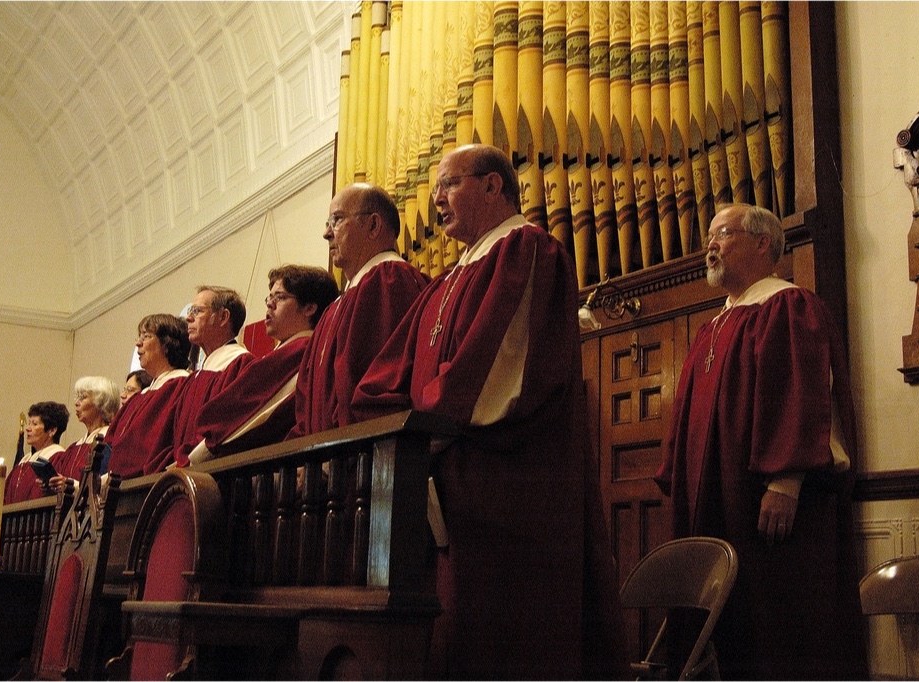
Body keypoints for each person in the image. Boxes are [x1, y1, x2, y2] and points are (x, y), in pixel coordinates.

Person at [352, 144, 627, 680]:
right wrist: (387, 422)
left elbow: (498, 365)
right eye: (434, 189)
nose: (436, 200)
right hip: (448, 481)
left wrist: (420, 430)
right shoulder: (449, 278)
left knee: (502, 636)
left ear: (492, 186)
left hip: (507, 492)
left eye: (449, 185)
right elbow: (385, 377)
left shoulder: (528, 250)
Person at [654, 203, 868, 680]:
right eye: (708, 236)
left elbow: (804, 393)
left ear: (763, 243)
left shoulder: (789, 306)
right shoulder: (715, 325)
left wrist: (786, 482)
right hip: (716, 499)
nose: (710, 246)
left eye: (722, 235)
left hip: (764, 505)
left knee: (772, 623)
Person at [287, 182, 428, 438]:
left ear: (373, 225)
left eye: (337, 220)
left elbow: (382, 384)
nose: (326, 233)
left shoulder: (390, 281)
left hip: (361, 458)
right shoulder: (336, 307)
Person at [186, 265, 339, 463]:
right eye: (270, 297)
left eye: (281, 297)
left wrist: (196, 457)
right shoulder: (283, 352)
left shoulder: (302, 350)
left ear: (309, 308)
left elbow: (245, 415)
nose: (270, 305)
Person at [156, 286, 253, 470]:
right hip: (183, 474)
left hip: (212, 474)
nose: (188, 318)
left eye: (197, 311)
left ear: (223, 317)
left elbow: (225, 429)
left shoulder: (239, 364)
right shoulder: (194, 377)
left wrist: (188, 462)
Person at [104, 314, 191, 479]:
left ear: (167, 345)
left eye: (146, 336)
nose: (138, 343)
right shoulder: (139, 397)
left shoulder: (180, 387)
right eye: (139, 336)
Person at [48, 376, 121, 493]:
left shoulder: (109, 441)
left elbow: (107, 479)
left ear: (101, 402)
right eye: (77, 397)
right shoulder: (74, 448)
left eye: (83, 397)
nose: (76, 403)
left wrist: (72, 486)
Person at [3, 401, 70, 504]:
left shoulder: (59, 458)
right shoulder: (24, 461)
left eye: (35, 424)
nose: (28, 428)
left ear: (52, 430)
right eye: (29, 423)